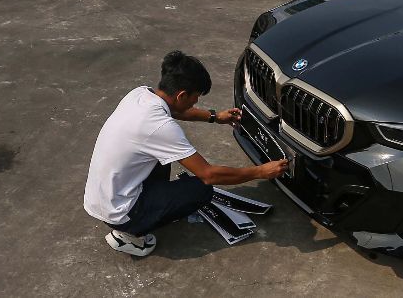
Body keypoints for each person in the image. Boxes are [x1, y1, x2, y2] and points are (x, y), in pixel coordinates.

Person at [84, 51, 288, 257]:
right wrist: (260, 171)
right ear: (182, 95)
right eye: (195, 98)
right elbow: (209, 175)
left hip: (102, 197)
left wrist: (215, 117)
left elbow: (173, 110)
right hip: (121, 213)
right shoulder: (160, 128)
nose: (195, 103)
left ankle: (147, 208)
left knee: (162, 159)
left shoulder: (140, 95)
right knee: (201, 190)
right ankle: (128, 235)